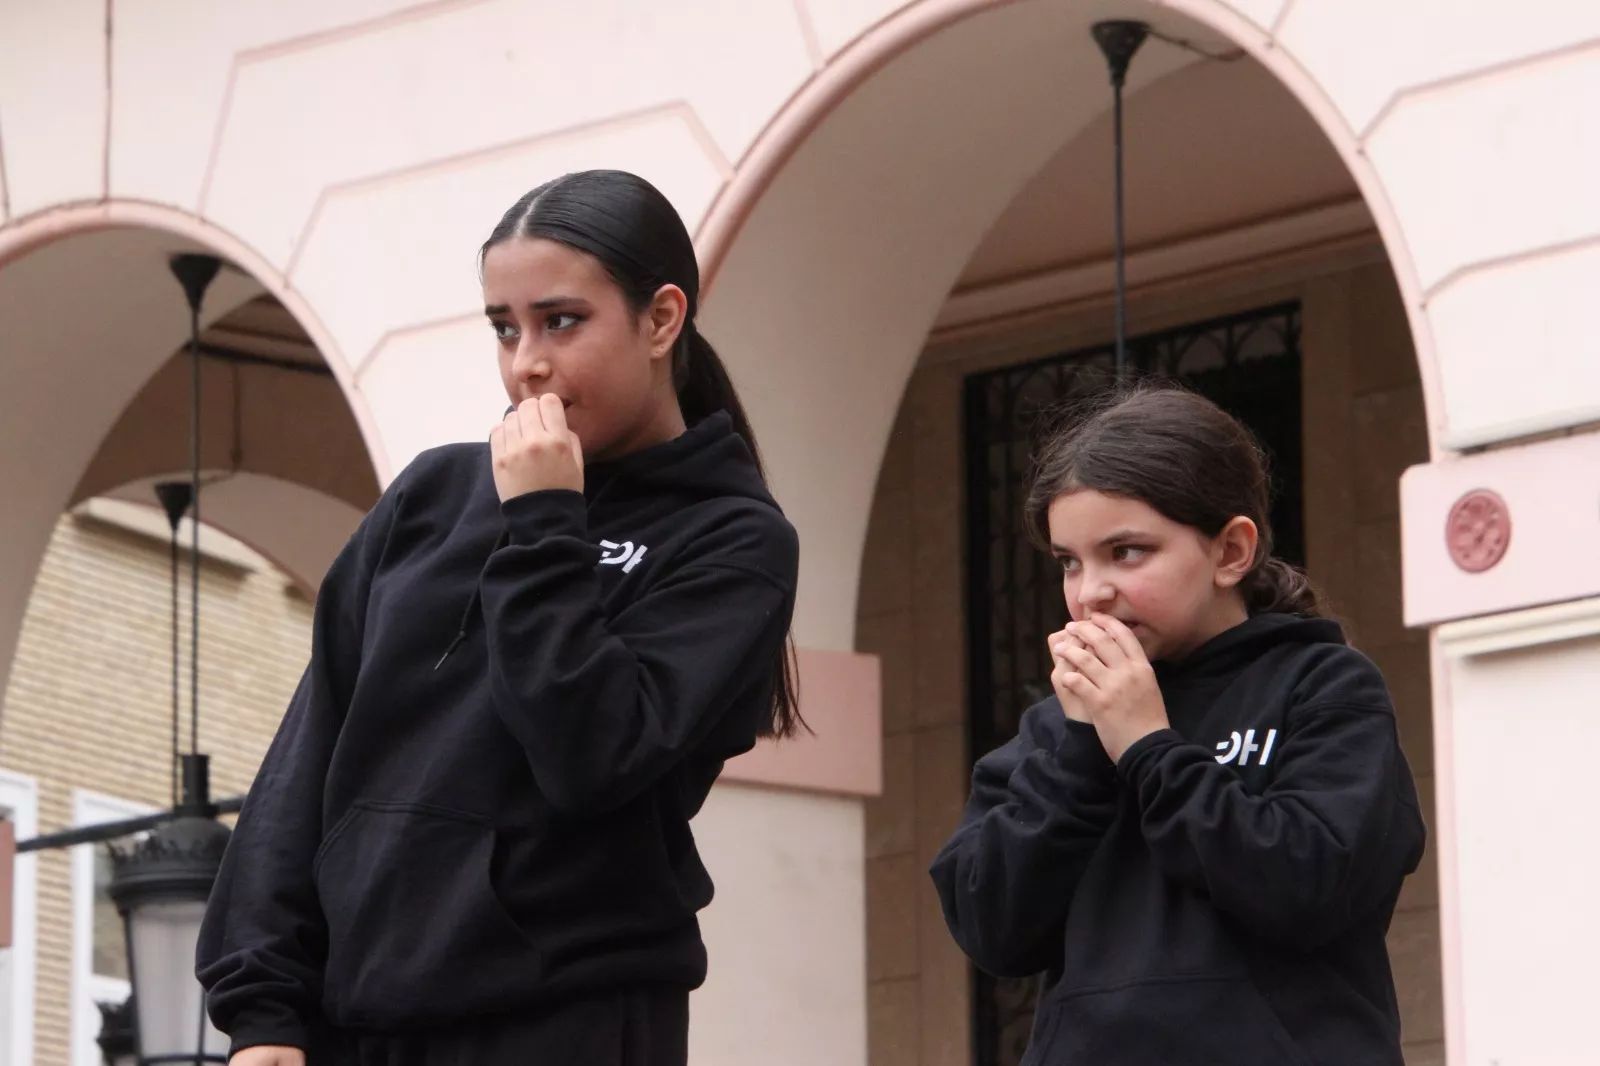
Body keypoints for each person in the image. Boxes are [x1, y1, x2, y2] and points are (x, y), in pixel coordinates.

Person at [197, 170, 802, 1066]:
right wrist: (264, 1011)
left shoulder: (733, 539)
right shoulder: (433, 496)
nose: (527, 363)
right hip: (361, 1023)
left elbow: (590, 756)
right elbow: (309, 755)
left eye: (562, 321)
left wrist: (546, 524)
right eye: (504, 328)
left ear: (662, 320)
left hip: (570, 1016)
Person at [929, 384, 1425, 1065]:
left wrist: (1147, 748)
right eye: (1069, 562)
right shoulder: (1056, 728)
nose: (1091, 591)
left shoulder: (1323, 687)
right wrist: (1082, 751)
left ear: (1231, 551)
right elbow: (991, 929)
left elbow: (1309, 886)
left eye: (1127, 552)